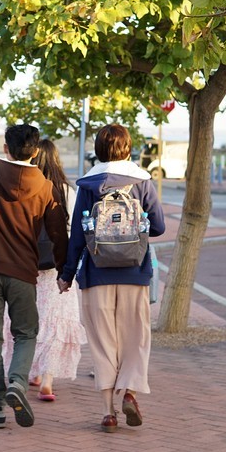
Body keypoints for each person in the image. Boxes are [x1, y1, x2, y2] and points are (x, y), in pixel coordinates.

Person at [0, 124, 69, 429]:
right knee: (26, 333)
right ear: (35, 151)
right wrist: (64, 270)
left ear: (6, 148)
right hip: (24, 272)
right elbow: (59, 233)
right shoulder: (46, 187)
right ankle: (17, 383)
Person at [58, 124, 165, 432]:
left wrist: (66, 275)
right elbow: (158, 227)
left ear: (99, 149)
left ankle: (108, 411)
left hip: (96, 272)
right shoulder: (142, 181)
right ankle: (129, 391)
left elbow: (78, 236)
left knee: (103, 342)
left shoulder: (88, 184)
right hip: (135, 272)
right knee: (136, 336)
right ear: (127, 147)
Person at [1, 139, 87, 401]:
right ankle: (47, 380)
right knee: (55, 320)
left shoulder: (28, 186)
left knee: (26, 319)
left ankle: (30, 372)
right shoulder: (66, 190)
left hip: (25, 263)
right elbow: (75, 232)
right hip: (56, 267)